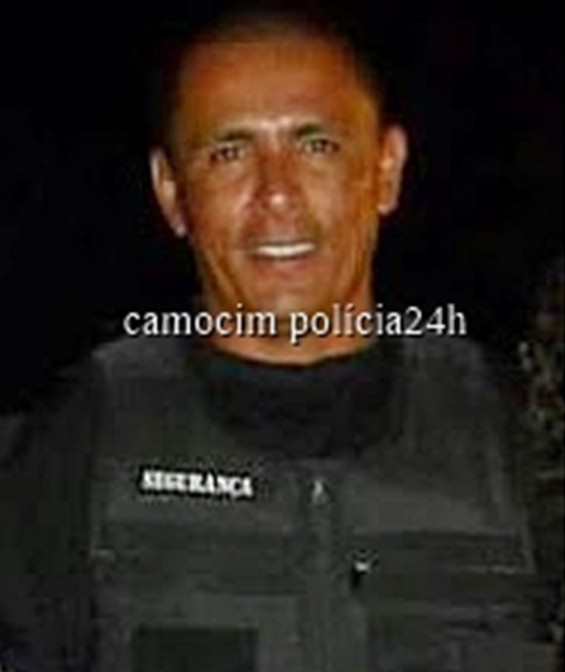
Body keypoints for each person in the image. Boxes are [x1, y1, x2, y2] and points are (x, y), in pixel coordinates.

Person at [0, 2, 553, 671]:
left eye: (316, 146)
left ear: (386, 169)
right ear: (171, 193)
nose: (277, 194)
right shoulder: (82, 440)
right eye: (229, 153)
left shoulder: (516, 434)